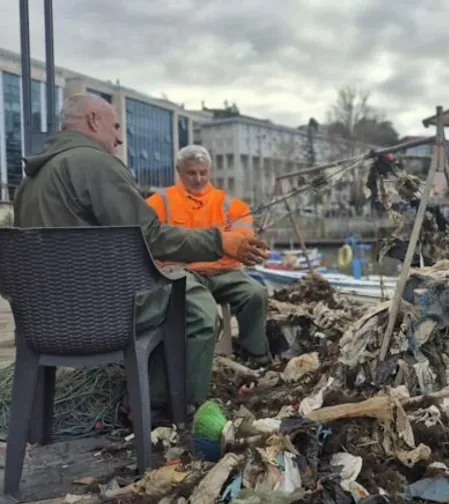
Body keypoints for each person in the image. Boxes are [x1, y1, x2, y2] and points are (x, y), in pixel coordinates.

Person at [13, 93, 269, 410]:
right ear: (93, 121)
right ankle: (166, 406)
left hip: (44, 322)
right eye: (116, 127)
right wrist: (219, 242)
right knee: (196, 306)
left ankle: (145, 395)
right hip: (103, 317)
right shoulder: (95, 165)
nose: (120, 139)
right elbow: (149, 235)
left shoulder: (29, 182)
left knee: (184, 293)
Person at [146, 145, 271, 367]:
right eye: (191, 173)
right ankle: (195, 365)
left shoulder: (232, 205)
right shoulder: (159, 202)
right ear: (179, 170)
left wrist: (246, 245)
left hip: (224, 273)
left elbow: (244, 237)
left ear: (209, 171)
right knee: (203, 311)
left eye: (203, 172)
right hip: (182, 272)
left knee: (256, 294)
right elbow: (146, 236)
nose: (198, 178)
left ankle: (256, 354)